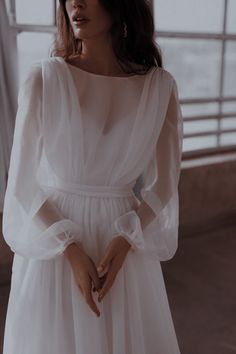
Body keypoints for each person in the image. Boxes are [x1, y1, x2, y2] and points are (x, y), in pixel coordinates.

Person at [2, 0, 183, 353]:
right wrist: (69, 247)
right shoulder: (44, 79)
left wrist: (127, 238)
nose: (75, 3)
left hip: (122, 243)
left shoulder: (160, 87)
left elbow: (164, 184)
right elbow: (22, 184)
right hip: (56, 241)